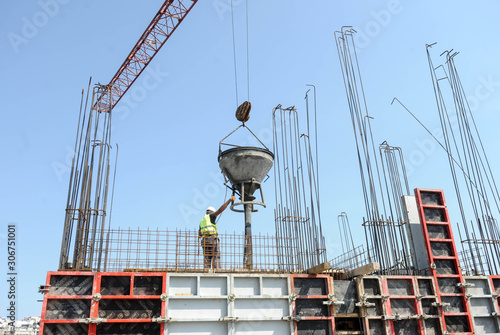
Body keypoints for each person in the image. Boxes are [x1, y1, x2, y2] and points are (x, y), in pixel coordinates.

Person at [199, 195, 235, 269]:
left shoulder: (202, 221)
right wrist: (229, 200)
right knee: (216, 256)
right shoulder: (211, 216)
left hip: (204, 240)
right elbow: (220, 210)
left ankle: (206, 271)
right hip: (212, 239)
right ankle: (217, 271)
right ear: (211, 212)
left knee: (207, 258)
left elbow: (199, 233)